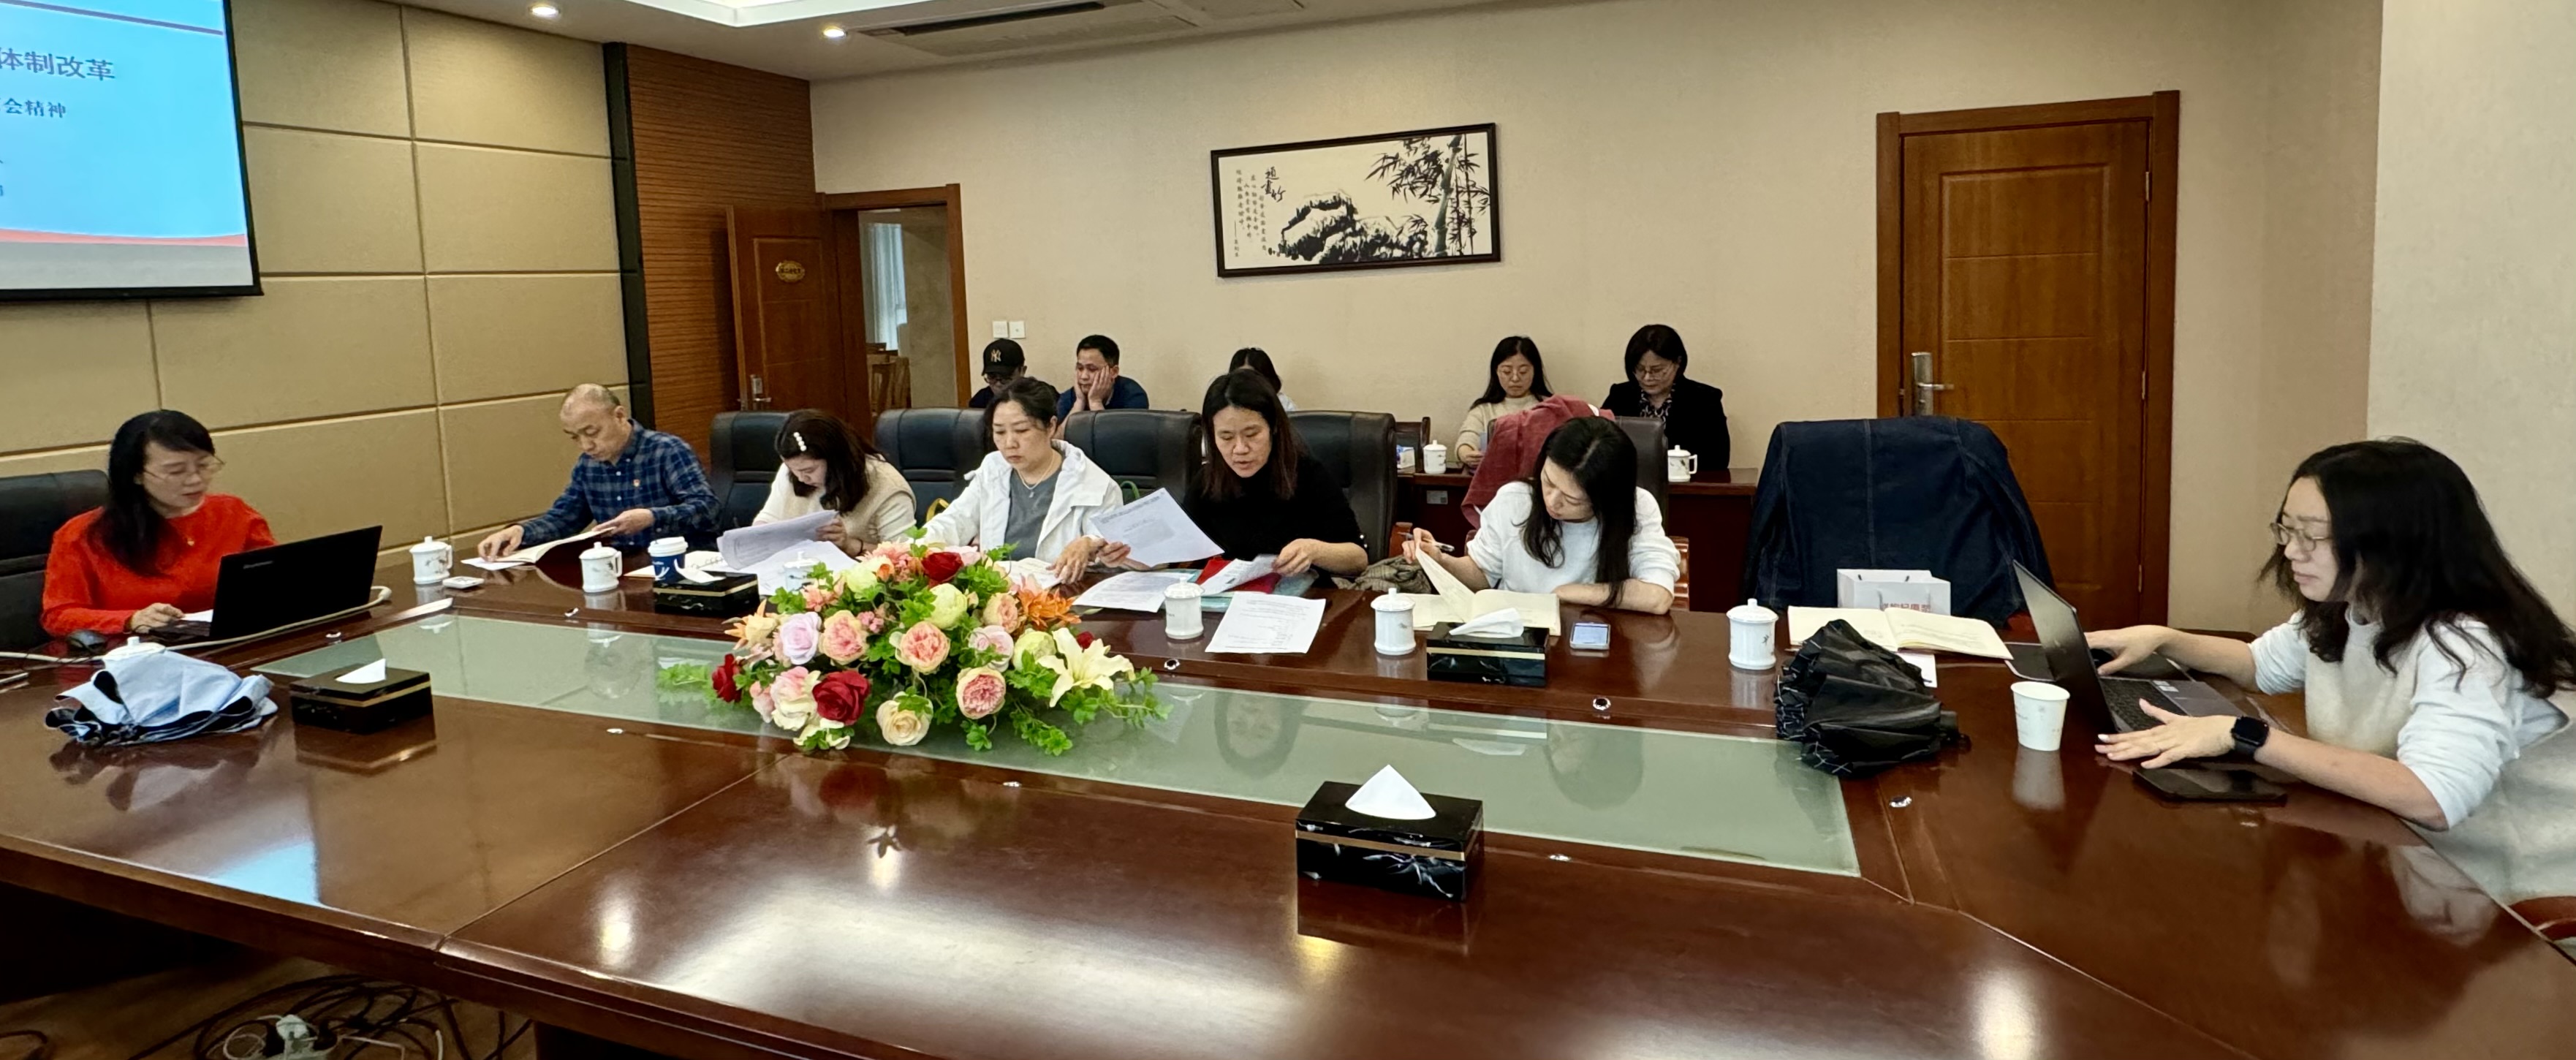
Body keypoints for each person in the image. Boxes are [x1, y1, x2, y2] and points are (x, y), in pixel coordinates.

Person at [2092, 440, 2575, 915]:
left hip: (2505, 900)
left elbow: (2433, 796)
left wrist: (2247, 736)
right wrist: (2165, 639)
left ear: (2396, 541)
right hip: (2404, 860)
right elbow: (2260, 664)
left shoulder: (2466, 642)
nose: (2291, 551)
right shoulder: (2353, 606)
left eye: (2313, 535)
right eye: (2287, 529)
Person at [1406, 417, 1679, 614]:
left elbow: (1657, 597)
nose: (1552, 501)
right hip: (1517, 635)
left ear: (1606, 500)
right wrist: (1440, 560)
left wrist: (1569, 593)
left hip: (1596, 638)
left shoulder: (1637, 507)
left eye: (1572, 499)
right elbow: (1483, 575)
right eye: (1548, 481)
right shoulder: (1515, 499)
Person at [42, 410, 276, 637]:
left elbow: (275, 579)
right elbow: (58, 616)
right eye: (176, 471)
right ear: (136, 474)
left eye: (204, 465)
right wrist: (130, 620)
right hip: (138, 653)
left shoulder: (234, 512)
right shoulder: (82, 535)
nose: (195, 480)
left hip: (230, 644)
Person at [925, 377, 1131, 584]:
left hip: (1063, 596)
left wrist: (1090, 544)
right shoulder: (993, 469)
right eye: (999, 432)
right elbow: (955, 521)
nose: (1009, 443)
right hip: (998, 593)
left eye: (1022, 430)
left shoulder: (1093, 484)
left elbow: (1110, 547)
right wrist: (912, 549)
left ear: (1051, 426)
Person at [477, 384, 719, 559]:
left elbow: (708, 509)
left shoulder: (667, 450)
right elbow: (564, 518)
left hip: (681, 565)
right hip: (620, 569)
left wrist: (652, 517)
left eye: (592, 433)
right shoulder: (588, 465)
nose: (586, 445)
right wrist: (520, 531)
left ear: (619, 416)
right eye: (575, 437)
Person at [1183, 368, 1366, 577]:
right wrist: (1155, 559)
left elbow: (1358, 559)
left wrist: (1314, 550)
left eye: (1252, 434)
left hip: (1306, 591)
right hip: (1234, 593)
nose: (1240, 448)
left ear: (1274, 427)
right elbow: (1179, 547)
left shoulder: (1308, 474)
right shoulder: (1208, 480)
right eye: (1226, 437)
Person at [754, 409, 916, 554]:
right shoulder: (795, 470)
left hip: (856, 575)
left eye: (809, 471)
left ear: (836, 460)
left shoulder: (887, 487)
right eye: (792, 470)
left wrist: (850, 545)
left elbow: (906, 558)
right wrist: (757, 536)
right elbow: (770, 518)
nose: (801, 478)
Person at [1602, 324, 1729, 470]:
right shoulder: (1620, 396)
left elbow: (1718, 460)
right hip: (1629, 482)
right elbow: (1599, 447)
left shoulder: (1705, 400)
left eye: (1657, 370)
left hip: (1687, 482)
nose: (1647, 377)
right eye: (1640, 369)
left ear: (1678, 363)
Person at [1456, 336, 1552, 466]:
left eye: (1523, 372)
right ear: (1496, 372)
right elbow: (1467, 439)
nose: (1515, 378)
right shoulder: (1484, 410)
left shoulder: (1551, 407)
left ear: (1535, 371)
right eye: (1507, 371)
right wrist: (1466, 454)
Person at [1058, 334, 1150, 415]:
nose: (1084, 376)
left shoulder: (1133, 395)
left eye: (1092, 369)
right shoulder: (1069, 397)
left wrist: (1095, 402)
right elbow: (1056, 430)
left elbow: (1125, 430)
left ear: (1113, 372)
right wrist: (1079, 404)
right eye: (1080, 368)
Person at [1227, 347, 1297, 411]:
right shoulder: (1226, 402)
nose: (1246, 381)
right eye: (1241, 376)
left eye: (1252, 375)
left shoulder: (1283, 403)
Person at [967, 338, 1028, 409]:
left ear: (1022, 371)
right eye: (992, 377)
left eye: (1006, 377)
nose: (998, 384)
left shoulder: (1036, 398)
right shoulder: (980, 401)